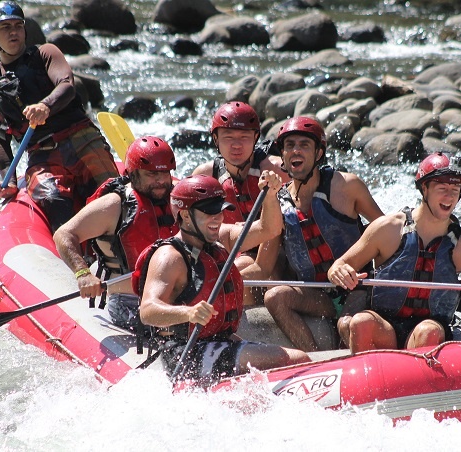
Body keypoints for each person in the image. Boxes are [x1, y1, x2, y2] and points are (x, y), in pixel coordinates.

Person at [327, 152, 461, 353]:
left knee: (428, 331)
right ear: (424, 188)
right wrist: (339, 272)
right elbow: (339, 265)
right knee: (361, 322)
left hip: (429, 330)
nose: (450, 196)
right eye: (442, 188)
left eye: (455, 190)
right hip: (385, 326)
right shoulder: (387, 229)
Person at [132, 174, 309, 384]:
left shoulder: (219, 239)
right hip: (185, 355)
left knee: (299, 360)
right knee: (297, 359)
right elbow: (148, 311)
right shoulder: (170, 257)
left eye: (219, 210)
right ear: (186, 215)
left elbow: (268, 229)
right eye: (209, 212)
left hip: (217, 342)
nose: (217, 217)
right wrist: (188, 312)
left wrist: (270, 195)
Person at [0, 1, 119, 232]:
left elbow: (66, 85)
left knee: (110, 194)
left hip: (80, 138)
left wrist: (45, 105)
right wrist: (10, 181)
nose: (13, 32)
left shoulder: (46, 53)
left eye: (18, 25)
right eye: (5, 27)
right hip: (41, 155)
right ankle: (72, 256)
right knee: (52, 199)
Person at [254, 116, 384, 352]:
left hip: (359, 286)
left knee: (347, 324)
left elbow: (387, 234)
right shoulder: (277, 201)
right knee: (275, 297)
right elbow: (262, 268)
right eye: (290, 145)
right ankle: (313, 359)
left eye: (304, 145)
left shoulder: (347, 186)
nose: (296, 151)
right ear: (282, 155)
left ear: (318, 153)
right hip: (317, 295)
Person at [53, 136, 179, 330]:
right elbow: (64, 234)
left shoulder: (179, 198)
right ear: (133, 174)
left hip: (176, 297)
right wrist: (83, 273)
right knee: (182, 327)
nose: (161, 181)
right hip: (129, 302)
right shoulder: (114, 205)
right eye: (152, 175)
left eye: (165, 173)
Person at [192, 101, 290, 305]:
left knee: (242, 265)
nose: (236, 145)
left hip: (278, 251)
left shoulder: (279, 169)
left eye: (244, 137)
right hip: (232, 248)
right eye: (228, 138)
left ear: (255, 138)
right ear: (216, 139)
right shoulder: (204, 175)